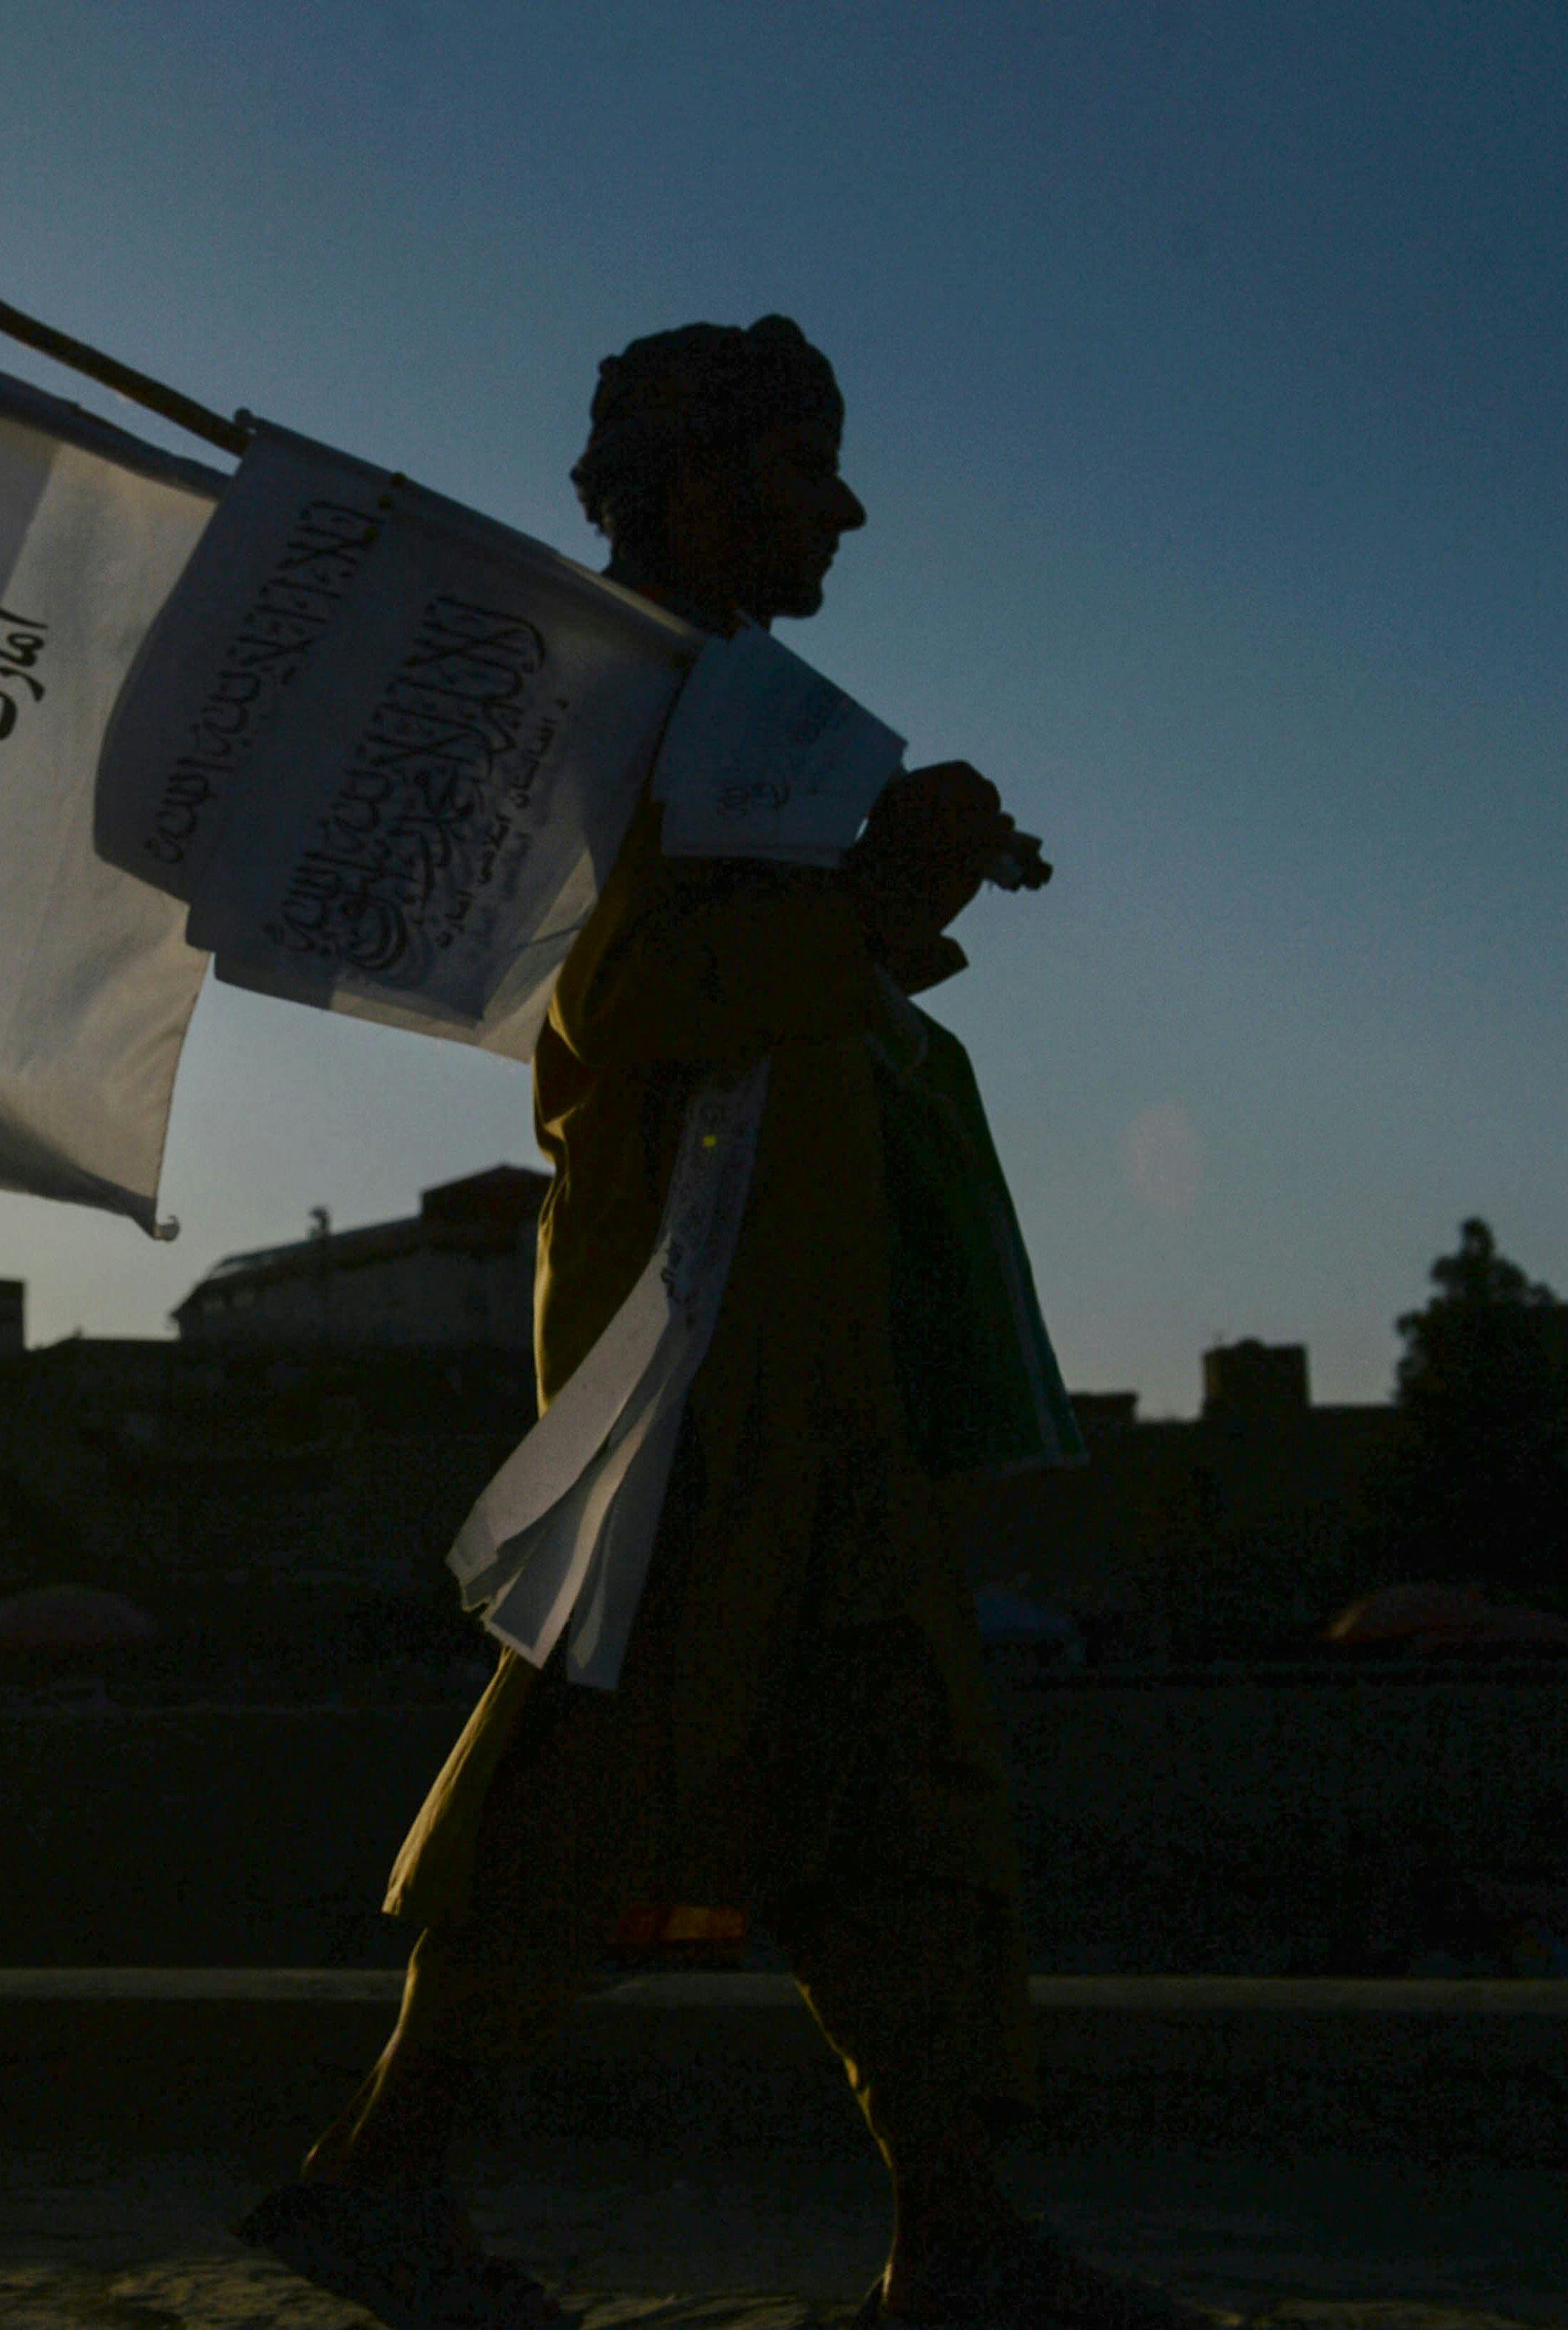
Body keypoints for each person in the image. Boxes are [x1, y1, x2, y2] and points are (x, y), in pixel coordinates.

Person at [234, 318, 1213, 2330]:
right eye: (804, 465)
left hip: (820, 1363)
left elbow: (756, 974)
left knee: (897, 1782)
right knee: (604, 1751)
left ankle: (954, 2229)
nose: (843, 505)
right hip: (698, 1360)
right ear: (699, 482)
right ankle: (381, 2177)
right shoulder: (600, 700)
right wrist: (865, 906)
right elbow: (618, 1000)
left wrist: (889, 887)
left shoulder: (739, 711)